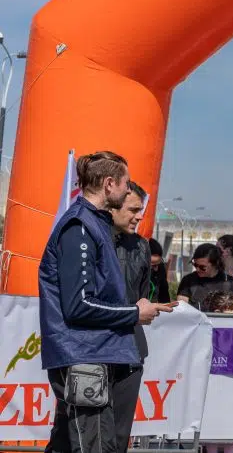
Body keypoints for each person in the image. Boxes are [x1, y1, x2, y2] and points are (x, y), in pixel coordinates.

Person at [38, 151, 174, 453]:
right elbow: (78, 304)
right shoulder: (80, 226)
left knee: (71, 445)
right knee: (96, 446)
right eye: (126, 184)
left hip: (95, 354)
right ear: (110, 184)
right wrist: (134, 312)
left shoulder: (94, 224)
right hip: (83, 356)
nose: (128, 190)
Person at [109, 181, 158, 453]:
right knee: (80, 432)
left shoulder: (142, 246)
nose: (139, 216)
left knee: (119, 436)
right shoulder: (90, 241)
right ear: (112, 206)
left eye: (141, 210)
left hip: (131, 350)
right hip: (93, 349)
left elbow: (141, 295)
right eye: (133, 210)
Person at [176, 243, 233, 310]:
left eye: (202, 267)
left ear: (215, 264)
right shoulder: (188, 281)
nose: (197, 269)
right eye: (195, 265)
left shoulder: (230, 283)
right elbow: (181, 310)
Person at [148, 238, 172, 303]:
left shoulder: (160, 269)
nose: (156, 269)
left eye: (158, 263)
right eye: (153, 265)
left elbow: (164, 296)